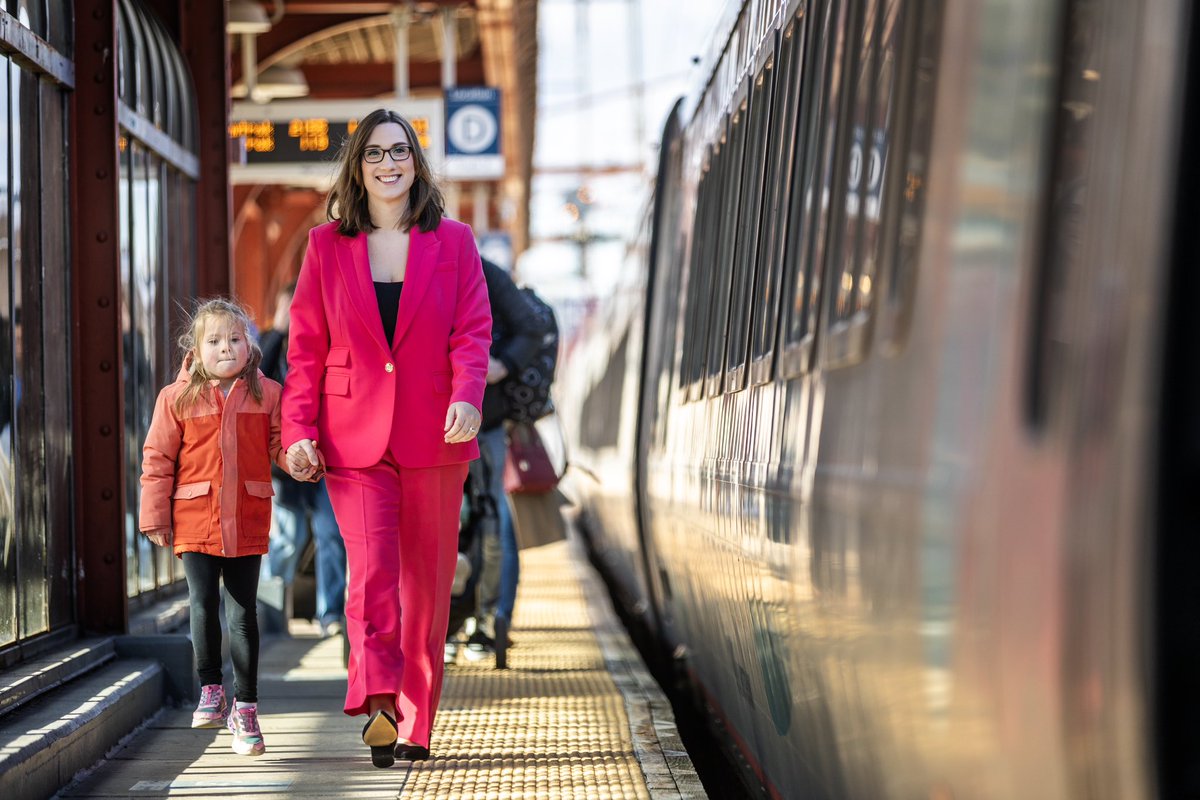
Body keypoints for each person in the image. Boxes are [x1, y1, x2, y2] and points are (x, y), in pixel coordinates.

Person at [281, 108, 491, 768]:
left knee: (426, 589)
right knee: (370, 577)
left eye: (400, 152)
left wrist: (467, 395)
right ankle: (378, 705)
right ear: (358, 166)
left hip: (436, 434)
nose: (389, 163)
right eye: (375, 153)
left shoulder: (453, 241)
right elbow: (305, 351)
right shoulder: (325, 247)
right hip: (353, 440)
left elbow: (473, 331)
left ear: (415, 163)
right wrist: (297, 432)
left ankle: (416, 720)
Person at [139, 298, 290, 758]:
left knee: (243, 613)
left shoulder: (268, 394)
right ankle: (211, 689)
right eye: (214, 340)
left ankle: (246, 708)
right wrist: (155, 517)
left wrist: (300, 459)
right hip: (194, 519)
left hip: (245, 517)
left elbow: (281, 445)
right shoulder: (176, 398)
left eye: (235, 339)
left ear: (250, 345)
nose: (225, 348)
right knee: (202, 605)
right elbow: (158, 460)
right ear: (195, 349)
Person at [447, 258, 552, 665]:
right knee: (443, 527)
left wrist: (501, 364)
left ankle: (483, 621)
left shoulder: (482, 270)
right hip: (425, 426)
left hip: (483, 422)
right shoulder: (396, 261)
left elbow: (532, 327)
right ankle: (447, 626)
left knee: (487, 525)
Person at [259, 282, 347, 638]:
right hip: (283, 464)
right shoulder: (270, 344)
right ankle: (271, 617)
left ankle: (330, 614)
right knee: (286, 538)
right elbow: (256, 378)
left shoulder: (327, 342)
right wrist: (278, 331)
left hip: (328, 458)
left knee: (330, 534)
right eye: (287, 310)